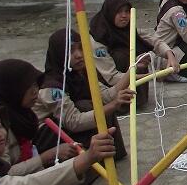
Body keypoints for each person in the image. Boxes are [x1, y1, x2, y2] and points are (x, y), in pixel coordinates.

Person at [35, 30, 130, 158]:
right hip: (50, 137)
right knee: (87, 106)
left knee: (99, 105)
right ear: (58, 54)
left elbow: (106, 96)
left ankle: (113, 155)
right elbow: (74, 122)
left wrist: (132, 71)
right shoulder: (51, 87)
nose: (79, 55)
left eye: (81, 48)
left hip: (70, 128)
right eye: (70, 51)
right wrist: (113, 105)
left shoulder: (81, 73)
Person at [0, 60, 76, 177]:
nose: (35, 91)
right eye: (28, 87)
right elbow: (3, 174)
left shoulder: (24, 115)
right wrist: (47, 156)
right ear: (11, 90)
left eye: (36, 85)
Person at [88, 0, 179, 106]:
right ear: (110, 13)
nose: (124, 16)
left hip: (132, 78)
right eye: (119, 12)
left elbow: (155, 41)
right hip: (111, 89)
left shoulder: (129, 30)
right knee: (122, 56)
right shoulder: (98, 40)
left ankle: (137, 97)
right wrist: (151, 75)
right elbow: (111, 77)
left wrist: (170, 55)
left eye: (127, 11)